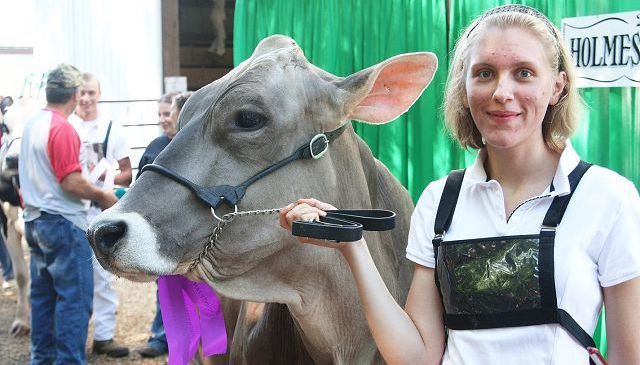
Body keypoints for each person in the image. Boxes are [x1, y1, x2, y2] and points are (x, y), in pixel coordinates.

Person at [279, 5, 640, 365]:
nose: (502, 91)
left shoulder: (608, 197)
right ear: (465, 87)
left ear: (556, 87)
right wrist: (353, 248)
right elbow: (416, 358)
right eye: (484, 73)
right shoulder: (440, 200)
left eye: (524, 73)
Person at [19, 64, 118, 364]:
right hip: (62, 221)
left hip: (35, 220)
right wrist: (102, 195)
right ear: (74, 94)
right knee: (74, 301)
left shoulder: (32, 123)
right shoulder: (62, 128)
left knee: (44, 297)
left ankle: (43, 358)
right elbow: (70, 181)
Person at [69, 72, 132, 357]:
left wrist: (106, 181)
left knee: (103, 277)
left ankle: (104, 336)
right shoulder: (67, 126)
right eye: (82, 93)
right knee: (71, 278)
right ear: (74, 95)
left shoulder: (112, 128)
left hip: (100, 209)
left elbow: (127, 172)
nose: (85, 98)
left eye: (91, 93)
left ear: (99, 94)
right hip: (70, 210)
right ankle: (74, 339)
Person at [137, 91, 192, 358]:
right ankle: (161, 336)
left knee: (198, 287)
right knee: (166, 284)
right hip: (159, 228)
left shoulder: (195, 151)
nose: (165, 119)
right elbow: (139, 185)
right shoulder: (156, 146)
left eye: (169, 113)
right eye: (162, 114)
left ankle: (198, 339)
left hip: (191, 230)